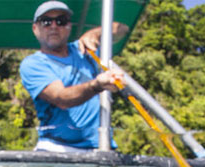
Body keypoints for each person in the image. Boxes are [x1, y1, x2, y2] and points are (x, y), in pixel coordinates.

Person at [20, 1, 128, 152]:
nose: (53, 26)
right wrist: (96, 85)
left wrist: (94, 33)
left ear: (69, 26)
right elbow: (61, 98)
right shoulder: (32, 64)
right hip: (56, 148)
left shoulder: (85, 49)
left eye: (60, 21)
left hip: (101, 147)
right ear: (35, 29)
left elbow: (122, 29)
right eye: (46, 22)